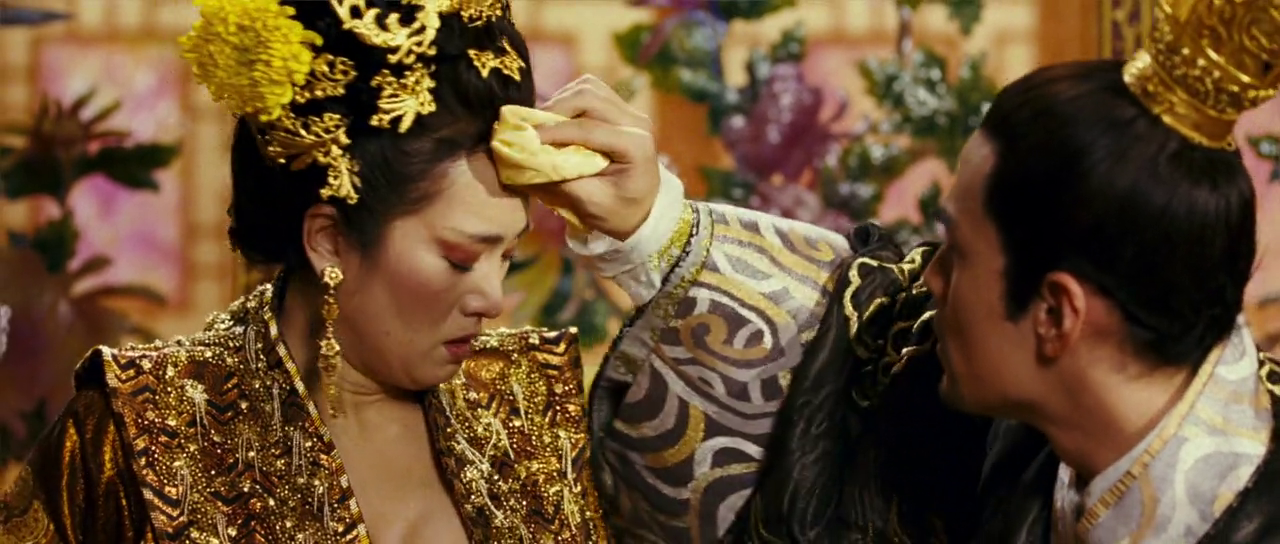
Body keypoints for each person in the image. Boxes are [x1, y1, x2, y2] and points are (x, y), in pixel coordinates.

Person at [555, 1, 1280, 543]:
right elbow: (854, 326)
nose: (925, 279)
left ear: (1056, 315)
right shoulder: (1082, 385)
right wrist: (652, 224)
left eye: (955, 254)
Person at [0, 0, 659, 541]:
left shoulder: (530, 404)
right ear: (330, 241)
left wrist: (651, 233)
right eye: (460, 258)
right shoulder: (145, 432)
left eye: (507, 256)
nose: (492, 297)